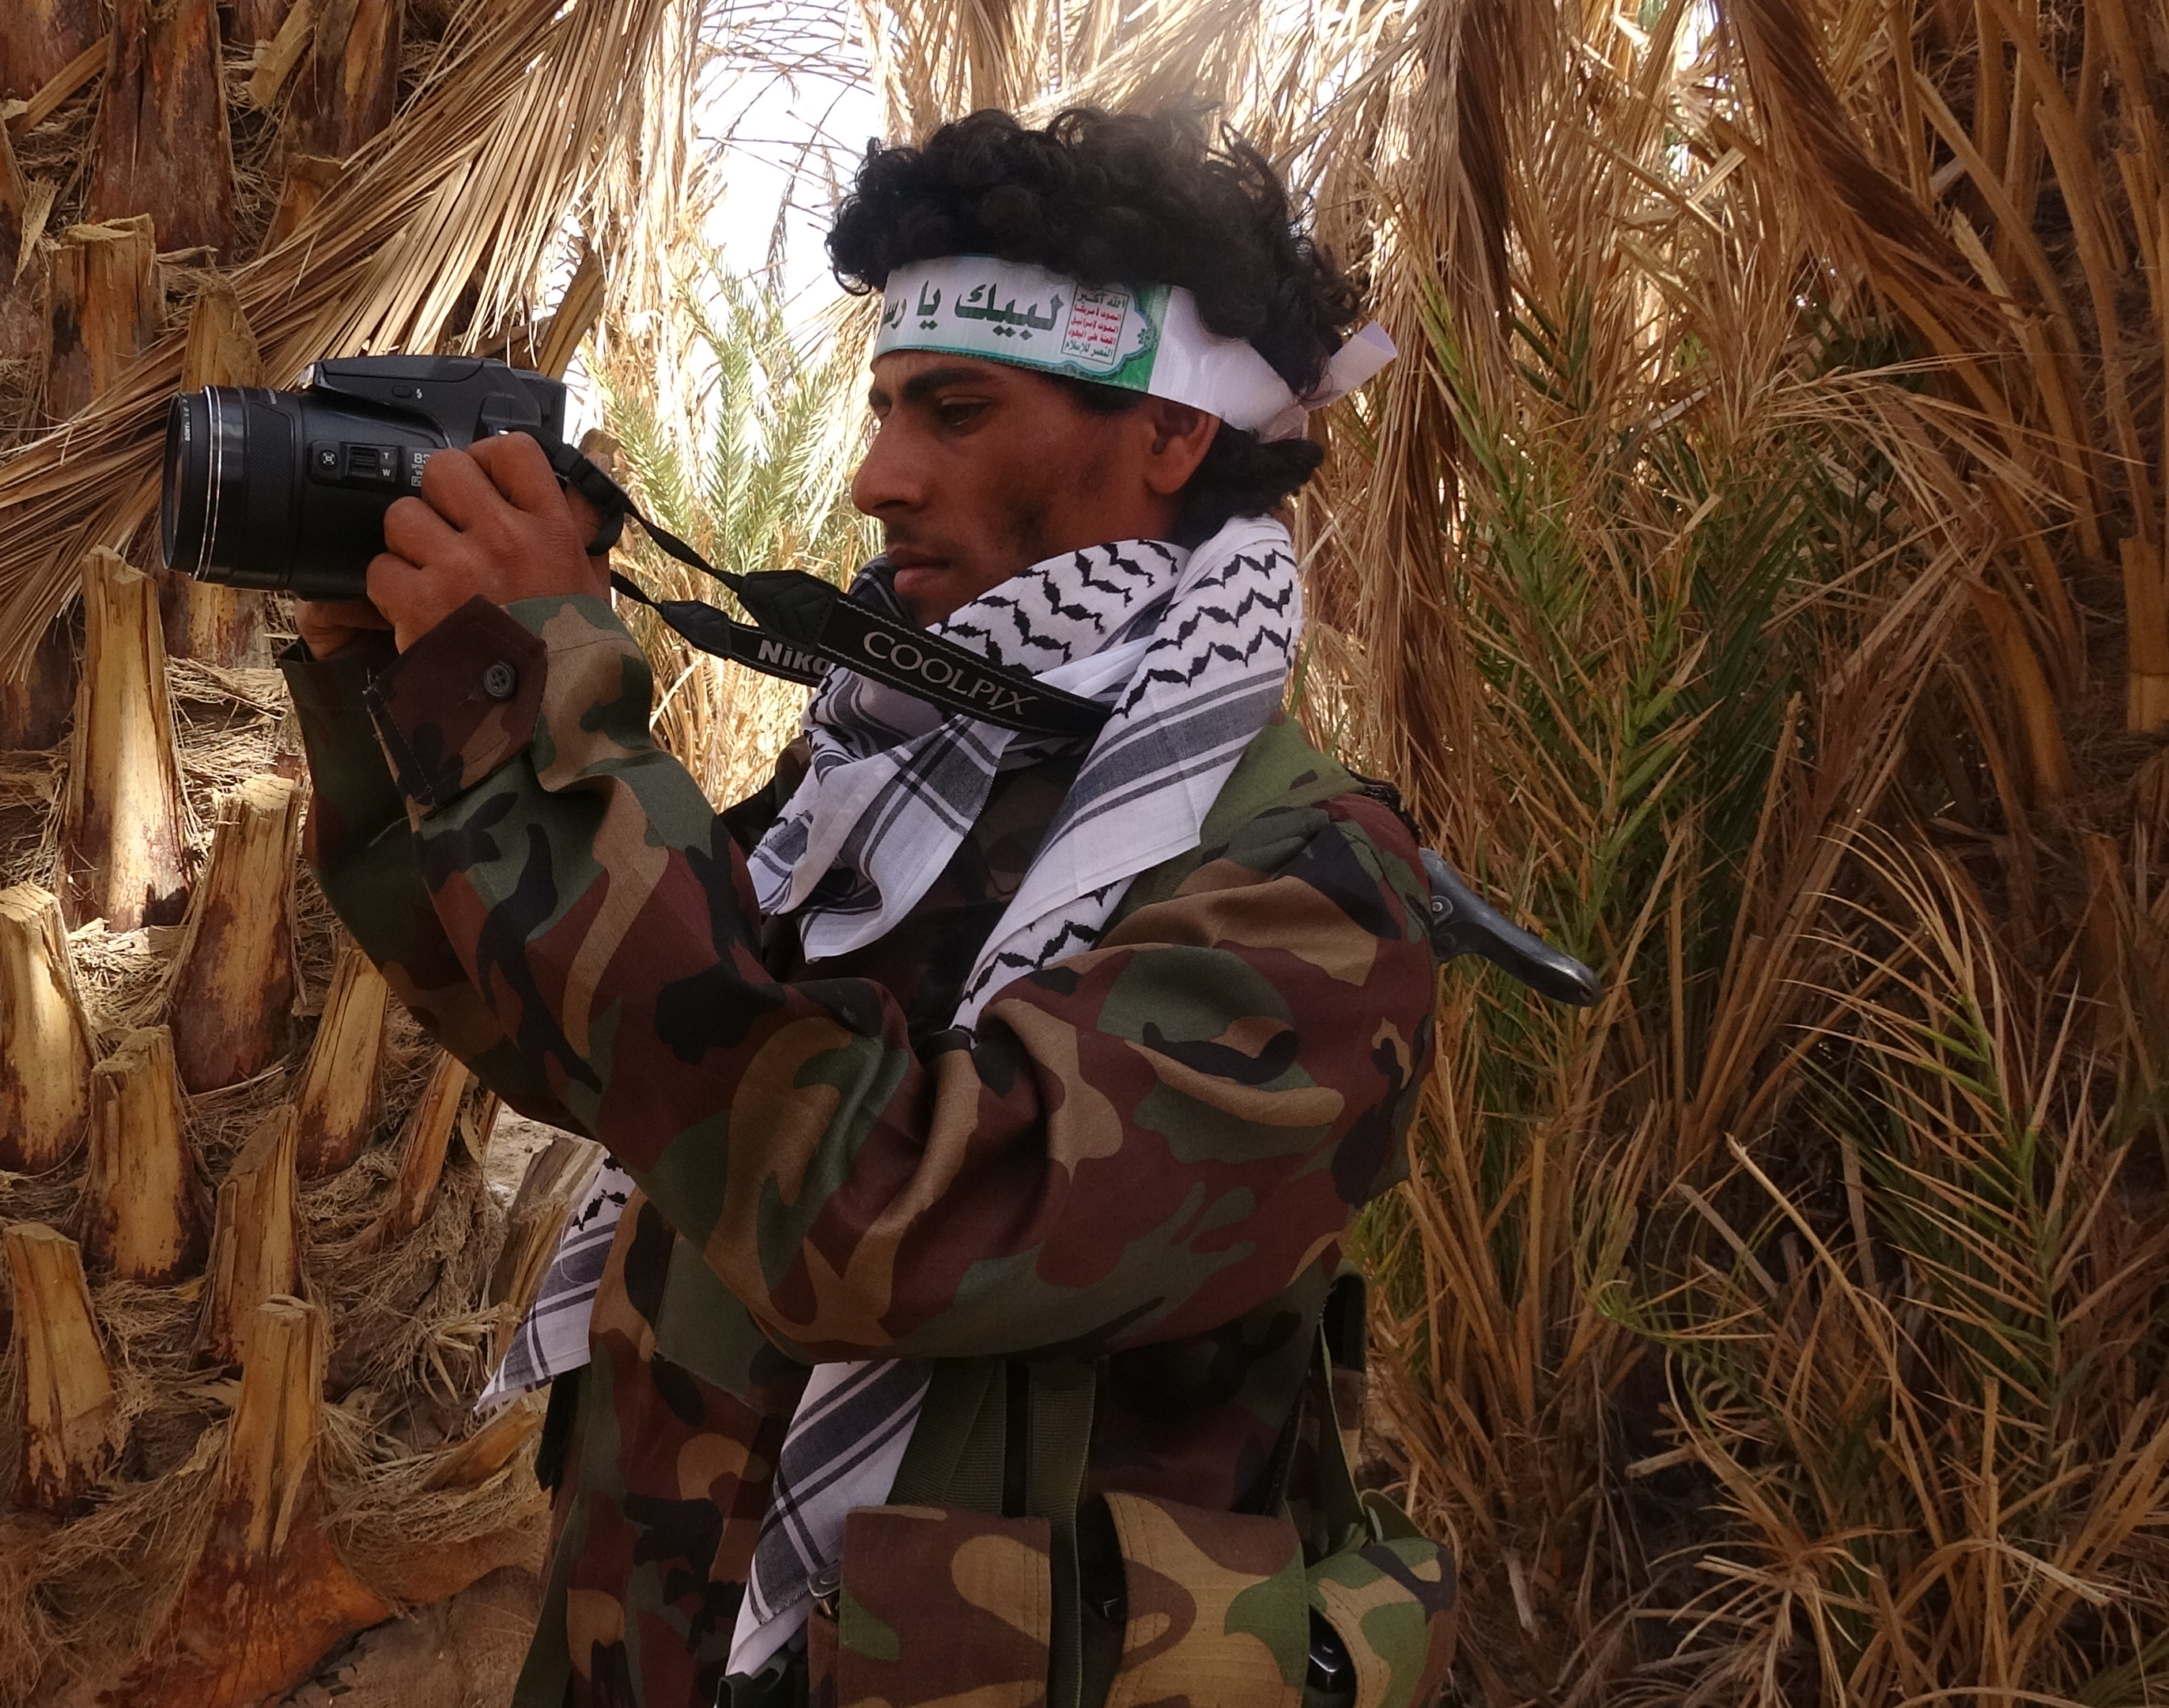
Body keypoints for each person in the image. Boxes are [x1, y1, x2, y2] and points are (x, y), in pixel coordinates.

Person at [281, 108, 1452, 1708]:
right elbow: (604, 1047)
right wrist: (395, 691)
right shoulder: (890, 784)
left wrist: (527, 701)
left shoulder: (1310, 892)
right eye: (887, 405)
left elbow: (882, 1222)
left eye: (956, 413)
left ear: (1173, 432)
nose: (877, 478)